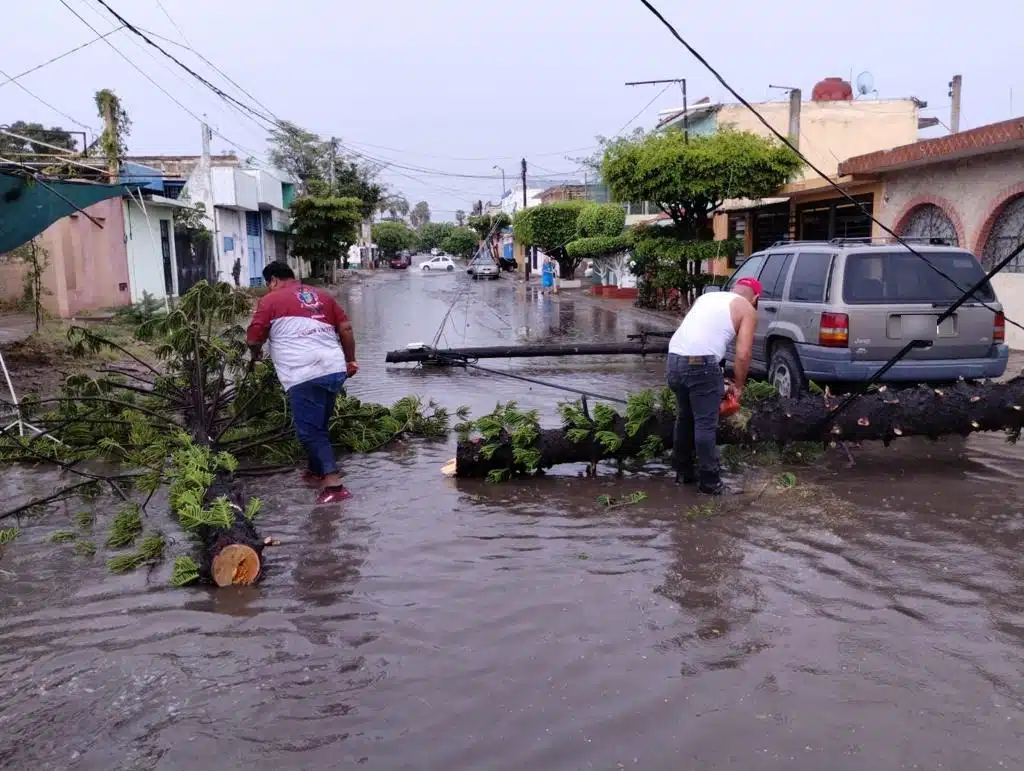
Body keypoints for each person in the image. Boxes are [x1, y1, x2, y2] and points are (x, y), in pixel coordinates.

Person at [246, 262, 359, 504]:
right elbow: (346, 328)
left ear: (273, 280)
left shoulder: (271, 300)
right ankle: (315, 471)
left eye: (268, 284)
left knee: (310, 432)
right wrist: (351, 361)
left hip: (303, 372)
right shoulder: (321, 295)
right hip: (334, 368)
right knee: (319, 425)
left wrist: (254, 355)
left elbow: (255, 336)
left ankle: (334, 485)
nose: (269, 288)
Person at [666, 277, 761, 495]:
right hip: (701, 362)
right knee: (705, 424)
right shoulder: (747, 308)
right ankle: (710, 482)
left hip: (673, 358)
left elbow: (699, 333)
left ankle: (683, 473)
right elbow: (744, 354)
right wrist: (738, 385)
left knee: (685, 417)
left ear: (734, 288)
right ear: (756, 298)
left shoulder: (706, 297)